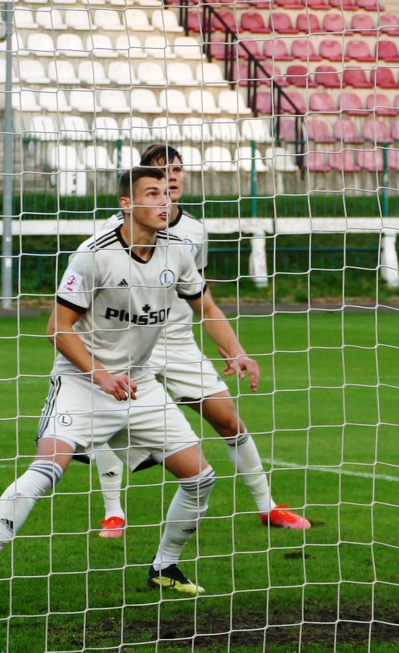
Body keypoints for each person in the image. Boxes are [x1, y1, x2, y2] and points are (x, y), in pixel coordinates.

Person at [0, 167, 222, 602]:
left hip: (139, 385)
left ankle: (165, 566)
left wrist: (236, 353)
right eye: (152, 194)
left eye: (166, 194)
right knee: (45, 471)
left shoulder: (178, 253)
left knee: (199, 478)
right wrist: (100, 373)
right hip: (82, 382)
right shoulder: (93, 255)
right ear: (126, 204)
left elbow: (205, 304)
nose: (163, 202)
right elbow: (58, 328)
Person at [92, 144, 310, 537]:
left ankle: (268, 506)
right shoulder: (110, 231)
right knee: (108, 423)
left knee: (228, 420)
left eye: (176, 169)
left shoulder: (194, 232)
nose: (171, 177)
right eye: (161, 171)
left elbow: (203, 302)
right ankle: (114, 513)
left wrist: (235, 351)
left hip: (177, 343)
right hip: (126, 345)